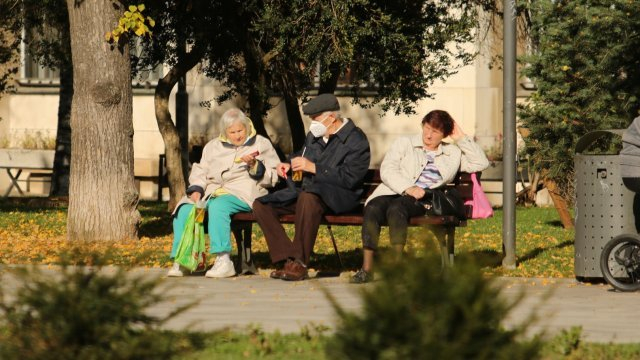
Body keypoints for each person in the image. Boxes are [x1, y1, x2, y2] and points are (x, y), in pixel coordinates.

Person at [350, 110, 489, 284]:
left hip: (423, 200)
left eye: (435, 132)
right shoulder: (404, 143)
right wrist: (408, 187)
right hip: (394, 190)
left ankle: (396, 267)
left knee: (397, 208)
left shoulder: (452, 153)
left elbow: (481, 163)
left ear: (445, 135)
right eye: (427, 128)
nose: (428, 135)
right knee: (373, 208)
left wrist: (460, 137)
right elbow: (387, 170)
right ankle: (367, 269)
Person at [253, 93, 371, 281]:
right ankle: (288, 260)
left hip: (338, 196)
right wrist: (289, 163)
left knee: (308, 197)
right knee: (261, 205)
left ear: (331, 117)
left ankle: (298, 263)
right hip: (307, 192)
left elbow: (351, 178)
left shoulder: (356, 140)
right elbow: (302, 154)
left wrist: (314, 168)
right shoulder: (315, 136)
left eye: (315, 119)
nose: (312, 124)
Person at [168, 108, 280, 278]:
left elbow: (275, 174)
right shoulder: (213, 146)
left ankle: (223, 260)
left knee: (218, 206)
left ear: (247, 127)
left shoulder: (260, 143)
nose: (237, 135)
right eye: (232, 132)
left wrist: (255, 167)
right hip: (211, 192)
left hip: (244, 192)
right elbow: (201, 170)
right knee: (183, 208)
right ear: (225, 132)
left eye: (240, 130)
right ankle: (183, 259)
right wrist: (197, 189)